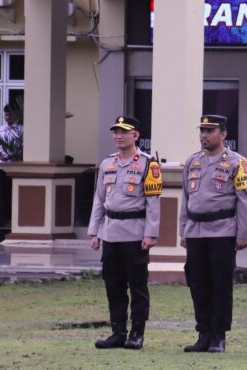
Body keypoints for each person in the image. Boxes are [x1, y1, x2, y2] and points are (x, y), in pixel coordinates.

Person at [179, 114, 247, 354]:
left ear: (223, 134)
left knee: (220, 284)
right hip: (195, 231)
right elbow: (186, 198)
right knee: (197, 283)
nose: (204, 135)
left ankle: (219, 335)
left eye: (210, 131)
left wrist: (243, 233)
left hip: (222, 230)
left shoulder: (236, 162)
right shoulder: (193, 162)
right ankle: (203, 333)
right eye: (202, 130)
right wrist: (183, 230)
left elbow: (244, 200)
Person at [87, 116, 161, 350]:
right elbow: (99, 200)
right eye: (115, 132)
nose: (118, 136)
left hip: (135, 233)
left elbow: (153, 203)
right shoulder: (107, 163)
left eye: (124, 132)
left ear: (135, 135)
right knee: (113, 285)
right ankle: (118, 332)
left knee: (137, 286)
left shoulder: (148, 164)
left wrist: (151, 233)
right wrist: (95, 231)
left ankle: (137, 333)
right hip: (110, 232)